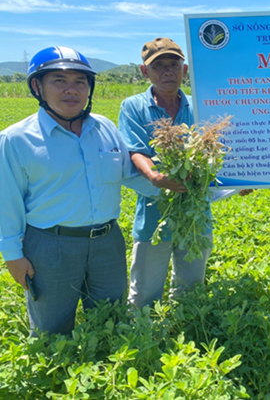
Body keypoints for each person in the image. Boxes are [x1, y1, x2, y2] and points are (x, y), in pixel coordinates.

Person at [0, 46, 159, 335]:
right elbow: (6, 202)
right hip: (51, 245)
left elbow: (130, 175)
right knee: (52, 331)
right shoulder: (16, 140)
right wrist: (12, 255)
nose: (71, 90)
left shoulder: (105, 128)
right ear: (38, 86)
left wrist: (190, 187)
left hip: (107, 242)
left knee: (110, 323)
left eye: (80, 81)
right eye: (59, 81)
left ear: (90, 88)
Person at [118, 37, 244, 309]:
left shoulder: (202, 106)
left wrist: (241, 179)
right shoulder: (134, 106)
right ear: (144, 71)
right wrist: (155, 176)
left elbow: (219, 152)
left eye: (174, 65)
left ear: (184, 70)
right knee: (143, 294)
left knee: (191, 288)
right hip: (155, 214)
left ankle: (186, 334)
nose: (167, 72)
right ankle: (144, 337)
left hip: (196, 214)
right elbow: (135, 151)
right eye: (158, 65)